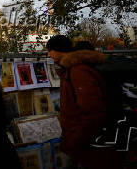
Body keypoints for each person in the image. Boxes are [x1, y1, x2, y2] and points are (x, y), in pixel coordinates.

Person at [46, 35, 123, 169]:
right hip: (85, 142)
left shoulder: (78, 71)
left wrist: (76, 141)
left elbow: (92, 112)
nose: (49, 54)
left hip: (88, 144)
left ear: (59, 50)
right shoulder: (71, 70)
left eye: (50, 50)